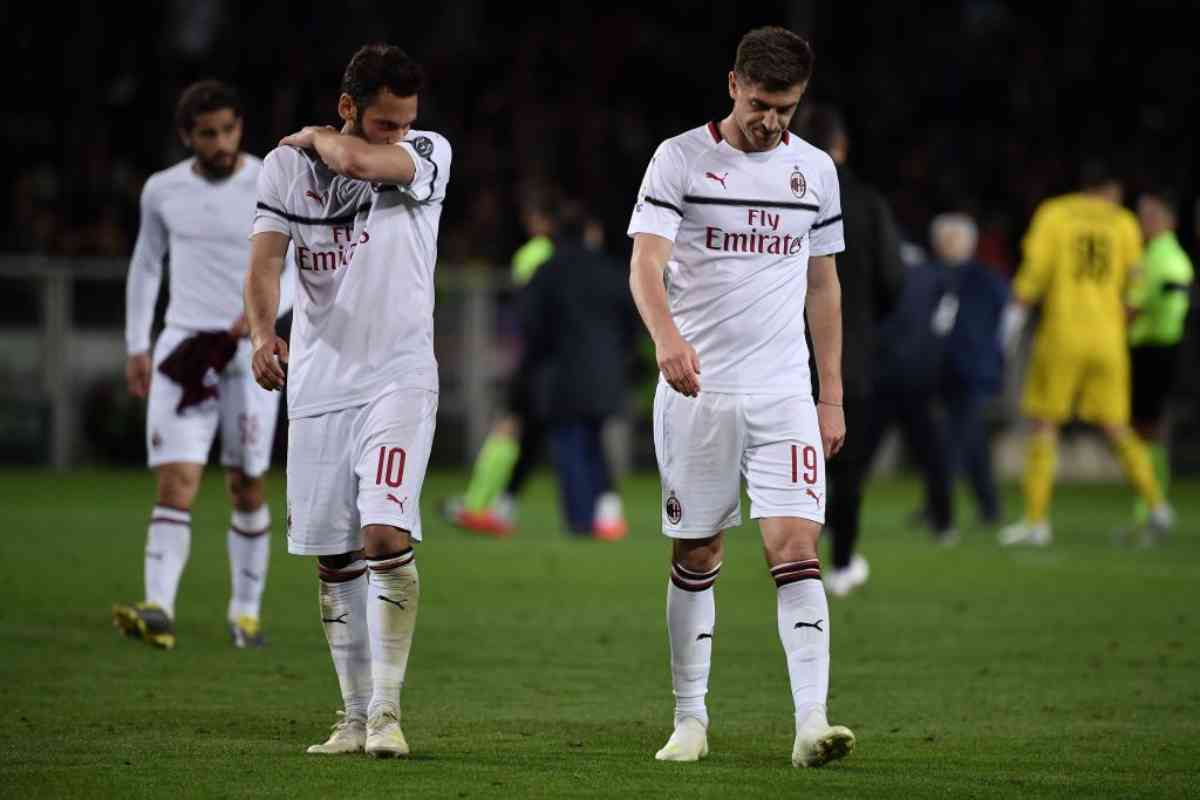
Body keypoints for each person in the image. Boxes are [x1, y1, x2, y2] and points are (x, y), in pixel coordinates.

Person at [627, 27, 855, 767]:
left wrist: (831, 394)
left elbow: (824, 284)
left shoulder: (815, 171)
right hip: (699, 391)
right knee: (698, 548)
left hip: (785, 391)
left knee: (795, 547)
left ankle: (812, 721)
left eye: (786, 108)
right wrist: (666, 338)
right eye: (761, 104)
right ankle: (690, 719)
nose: (772, 121)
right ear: (733, 85)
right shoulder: (681, 159)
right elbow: (645, 264)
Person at [244, 43, 452, 758]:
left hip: (398, 377)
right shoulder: (283, 170)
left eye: (404, 121)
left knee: (384, 535)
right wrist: (262, 333)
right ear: (348, 106)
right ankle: (353, 717)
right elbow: (267, 260)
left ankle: (389, 713)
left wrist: (317, 138)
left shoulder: (428, 150)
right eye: (385, 120)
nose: (399, 132)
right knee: (333, 558)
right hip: (318, 384)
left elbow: (362, 163)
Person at [113, 81, 291, 651]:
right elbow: (146, 265)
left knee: (246, 484)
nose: (220, 143)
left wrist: (259, 320)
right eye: (207, 133)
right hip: (184, 349)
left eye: (228, 130)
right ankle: (159, 609)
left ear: (241, 127)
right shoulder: (161, 190)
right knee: (177, 481)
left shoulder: (271, 180)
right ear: (187, 136)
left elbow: (297, 271)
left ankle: (244, 615)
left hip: (250, 351)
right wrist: (138, 344)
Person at [999, 163, 1172, 546]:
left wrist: (1014, 315)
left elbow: (1035, 273)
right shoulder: (1124, 223)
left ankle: (1036, 521)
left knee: (1044, 424)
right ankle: (1157, 505)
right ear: (1111, 189)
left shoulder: (1055, 214)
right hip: (1108, 339)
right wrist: (1119, 323)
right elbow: (1137, 287)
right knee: (1117, 426)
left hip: (1062, 335)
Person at [796, 105, 904, 597]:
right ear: (842, 144)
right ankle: (840, 565)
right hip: (852, 353)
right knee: (849, 467)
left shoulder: (783, 196)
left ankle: (797, 560)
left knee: (798, 466)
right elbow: (892, 280)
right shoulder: (867, 202)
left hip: (789, 353)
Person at [521, 209, 636, 538]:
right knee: (594, 441)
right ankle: (606, 511)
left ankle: (581, 520)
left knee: (569, 446)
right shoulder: (613, 271)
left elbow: (531, 324)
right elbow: (632, 320)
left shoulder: (547, 271)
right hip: (606, 373)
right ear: (591, 232)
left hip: (561, 374)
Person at [928, 213, 1009, 527]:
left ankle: (939, 505)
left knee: (953, 439)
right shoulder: (935, 275)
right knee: (971, 440)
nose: (948, 245)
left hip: (974, 369)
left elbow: (1004, 321)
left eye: (953, 238)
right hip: (946, 368)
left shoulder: (984, 279)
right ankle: (989, 507)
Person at [1127, 187, 1193, 529]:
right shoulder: (1152, 253)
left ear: (1168, 220)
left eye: (1150, 214)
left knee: (1147, 430)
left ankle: (1151, 506)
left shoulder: (1169, 258)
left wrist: (1132, 317)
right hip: (1152, 349)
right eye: (1142, 214)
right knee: (1145, 430)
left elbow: (1169, 304)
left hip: (1158, 349)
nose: (1143, 221)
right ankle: (1151, 504)